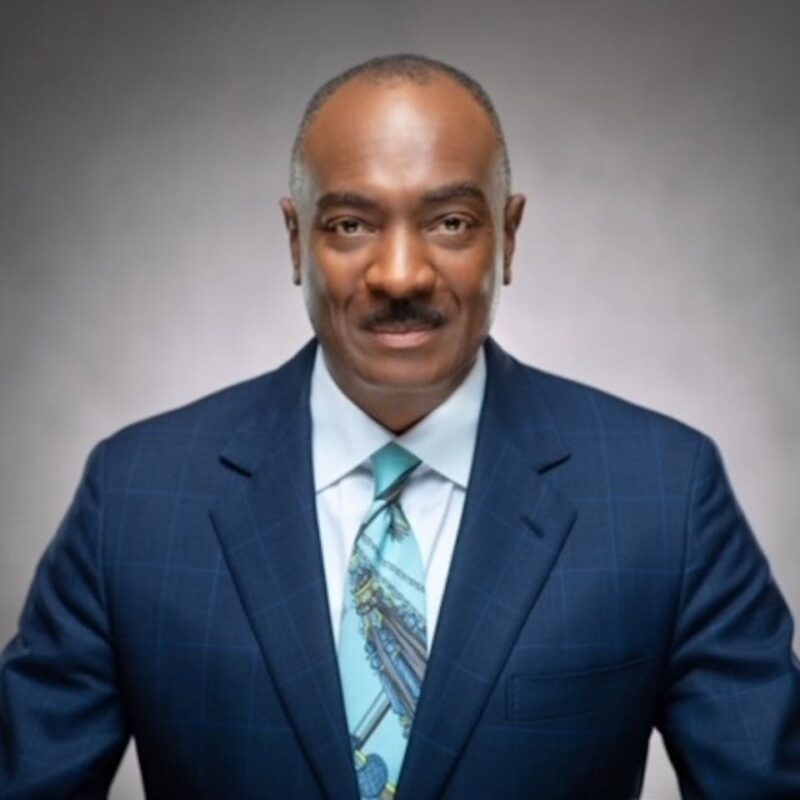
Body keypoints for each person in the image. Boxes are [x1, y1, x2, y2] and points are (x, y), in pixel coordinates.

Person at [1, 53, 798, 800]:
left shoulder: (666, 494)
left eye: (450, 222)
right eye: (351, 225)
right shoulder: (134, 496)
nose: (401, 274)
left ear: (509, 236)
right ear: (296, 241)